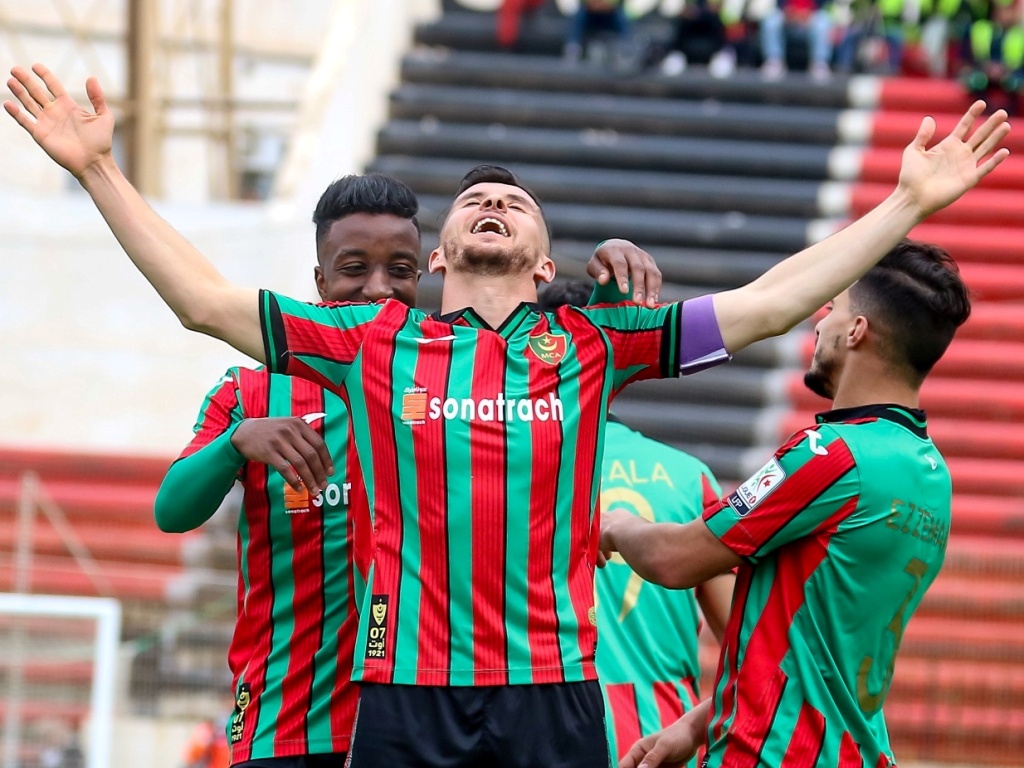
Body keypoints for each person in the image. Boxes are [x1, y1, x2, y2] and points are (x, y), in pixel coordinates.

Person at [4, 64, 1010, 767]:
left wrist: (904, 206)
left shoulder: (587, 347)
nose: (492, 201)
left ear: (542, 265)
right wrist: (97, 168)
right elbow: (203, 304)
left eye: (515, 204)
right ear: (436, 257)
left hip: (550, 696)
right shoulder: (368, 346)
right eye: (473, 197)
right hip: (404, 697)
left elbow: (768, 305)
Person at [604, 240, 973, 768]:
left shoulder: (833, 456)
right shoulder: (930, 473)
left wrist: (617, 525)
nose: (818, 326)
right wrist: (693, 725)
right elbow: (814, 654)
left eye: (830, 310)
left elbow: (676, 558)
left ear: (857, 331)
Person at [154, 173, 422, 767]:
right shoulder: (252, 390)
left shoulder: (443, 374)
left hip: (414, 718)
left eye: (399, 270)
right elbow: (171, 511)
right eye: (355, 268)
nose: (379, 288)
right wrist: (234, 443)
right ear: (321, 277)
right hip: (287, 715)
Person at [539, 279, 734, 767]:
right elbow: (751, 641)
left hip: (543, 734)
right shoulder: (690, 478)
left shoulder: (499, 471)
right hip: (661, 742)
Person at [759, 0, 836, 80]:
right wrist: (789, 13)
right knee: (771, 20)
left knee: (822, 21)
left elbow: (822, 5)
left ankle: (820, 64)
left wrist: (807, 14)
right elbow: (780, 4)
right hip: (788, 20)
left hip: (811, 19)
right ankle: (774, 61)